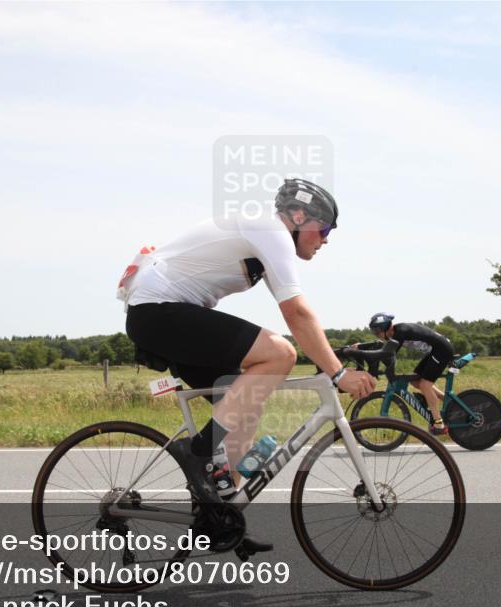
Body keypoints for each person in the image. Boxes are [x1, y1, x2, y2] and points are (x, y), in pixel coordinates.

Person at [120, 179, 376, 552]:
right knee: (280, 354)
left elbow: (300, 315)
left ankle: (222, 517)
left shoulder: (268, 242)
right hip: (157, 311)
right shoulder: (270, 230)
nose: (325, 240)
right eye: (323, 230)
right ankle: (198, 452)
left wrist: (330, 355)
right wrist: (337, 373)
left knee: (246, 412)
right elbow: (296, 313)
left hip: (164, 314)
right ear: (299, 217)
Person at [351, 313, 455, 435]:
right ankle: (450, 402)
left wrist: (361, 352)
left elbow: (386, 353)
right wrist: (360, 347)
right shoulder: (396, 333)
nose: (376, 334)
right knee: (415, 380)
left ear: (384, 328)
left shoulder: (400, 333)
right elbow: (381, 346)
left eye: (377, 331)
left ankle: (439, 424)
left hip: (442, 350)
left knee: (425, 385)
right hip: (435, 351)